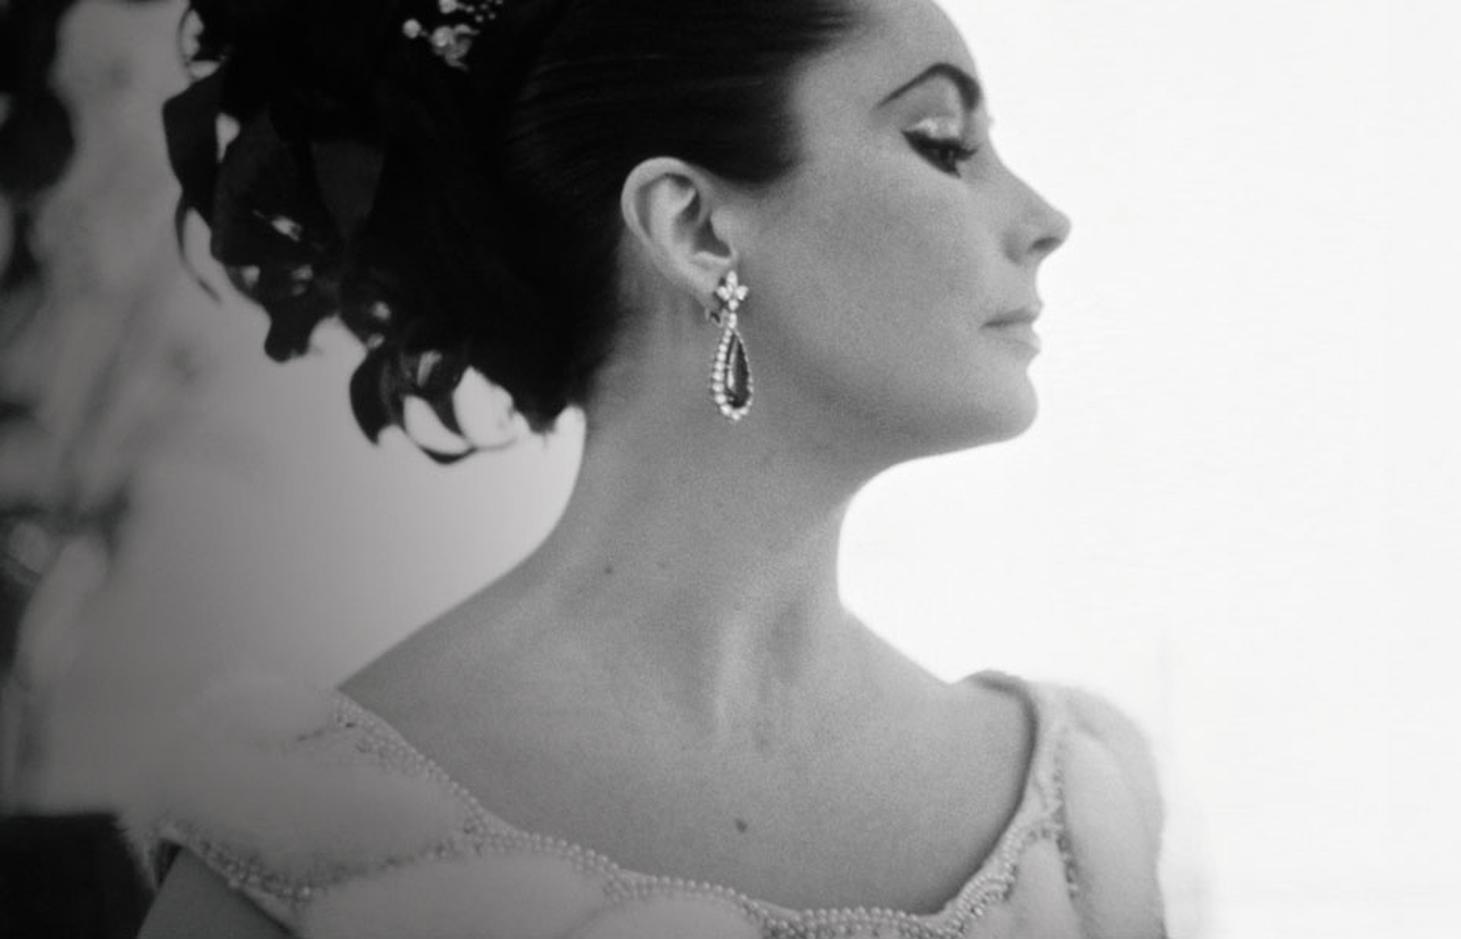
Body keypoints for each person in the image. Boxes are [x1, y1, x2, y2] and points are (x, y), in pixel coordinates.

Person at [124, 0, 1167, 935]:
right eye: (943, 142)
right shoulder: (303, 839)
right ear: (697, 228)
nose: (1045, 220)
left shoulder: (1074, 817)